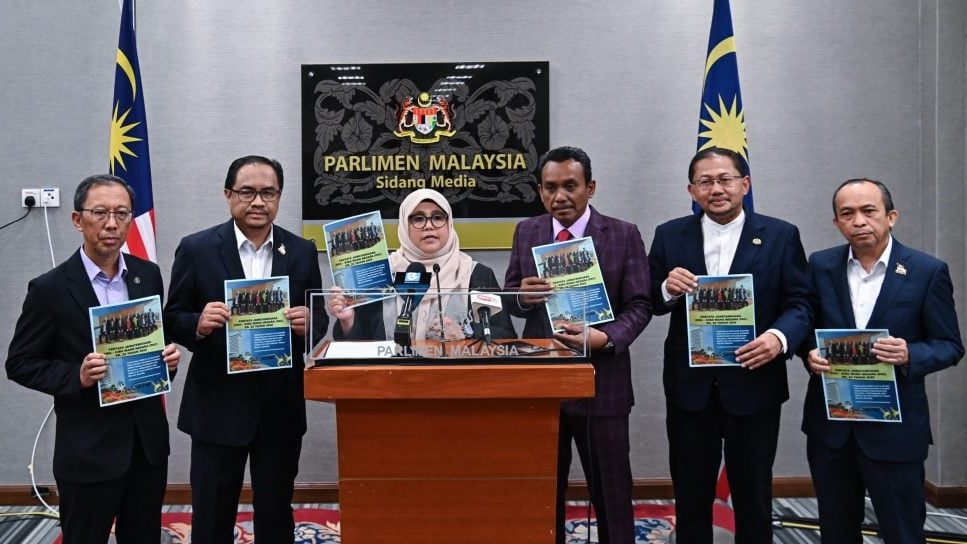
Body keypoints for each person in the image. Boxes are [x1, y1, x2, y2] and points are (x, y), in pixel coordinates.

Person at [648, 147, 811, 543]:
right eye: (705, 182)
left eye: (725, 179)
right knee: (690, 496)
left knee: (754, 498)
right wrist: (667, 288)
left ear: (745, 184)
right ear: (692, 190)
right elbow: (647, 298)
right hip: (691, 390)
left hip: (755, 384)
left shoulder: (781, 235)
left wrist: (778, 338)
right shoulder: (669, 234)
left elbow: (801, 303)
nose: (716, 189)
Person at [6, 175, 181, 543]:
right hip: (88, 449)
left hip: (146, 444)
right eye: (100, 213)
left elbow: (155, 342)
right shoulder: (50, 289)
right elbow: (20, 363)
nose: (112, 224)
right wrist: (78, 376)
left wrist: (168, 360)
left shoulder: (147, 275)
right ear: (77, 219)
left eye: (122, 213)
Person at [163, 155, 325, 544]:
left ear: (279, 197)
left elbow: (318, 321)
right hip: (217, 407)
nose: (258, 201)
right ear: (228, 194)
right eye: (247, 191)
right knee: (211, 516)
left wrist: (311, 323)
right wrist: (197, 322)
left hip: (280, 408)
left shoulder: (301, 250)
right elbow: (171, 317)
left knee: (276, 514)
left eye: (268, 192)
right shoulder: (197, 248)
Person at [800, 178, 963, 544]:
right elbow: (804, 325)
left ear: (891, 217)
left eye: (868, 211)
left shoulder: (927, 271)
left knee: (902, 532)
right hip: (833, 429)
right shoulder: (820, 265)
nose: (858, 221)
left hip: (896, 431)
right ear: (836, 223)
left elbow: (950, 345)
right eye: (847, 214)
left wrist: (910, 354)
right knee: (836, 531)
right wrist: (808, 352)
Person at [504, 146, 652, 544]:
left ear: (591, 187)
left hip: (603, 384)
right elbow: (510, 297)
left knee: (612, 495)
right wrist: (522, 297)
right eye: (550, 187)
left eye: (570, 186)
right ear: (540, 191)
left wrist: (607, 338)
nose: (560, 196)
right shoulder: (527, 231)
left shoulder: (623, 234)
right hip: (543, 384)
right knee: (542, 491)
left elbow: (641, 304)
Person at [328, 188, 515, 342]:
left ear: (449, 223)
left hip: (457, 374)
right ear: (404, 227)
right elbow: (361, 342)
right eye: (418, 219)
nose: (429, 226)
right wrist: (348, 320)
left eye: (438, 217)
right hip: (390, 374)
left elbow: (506, 336)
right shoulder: (382, 274)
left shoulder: (477, 274)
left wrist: (466, 332)